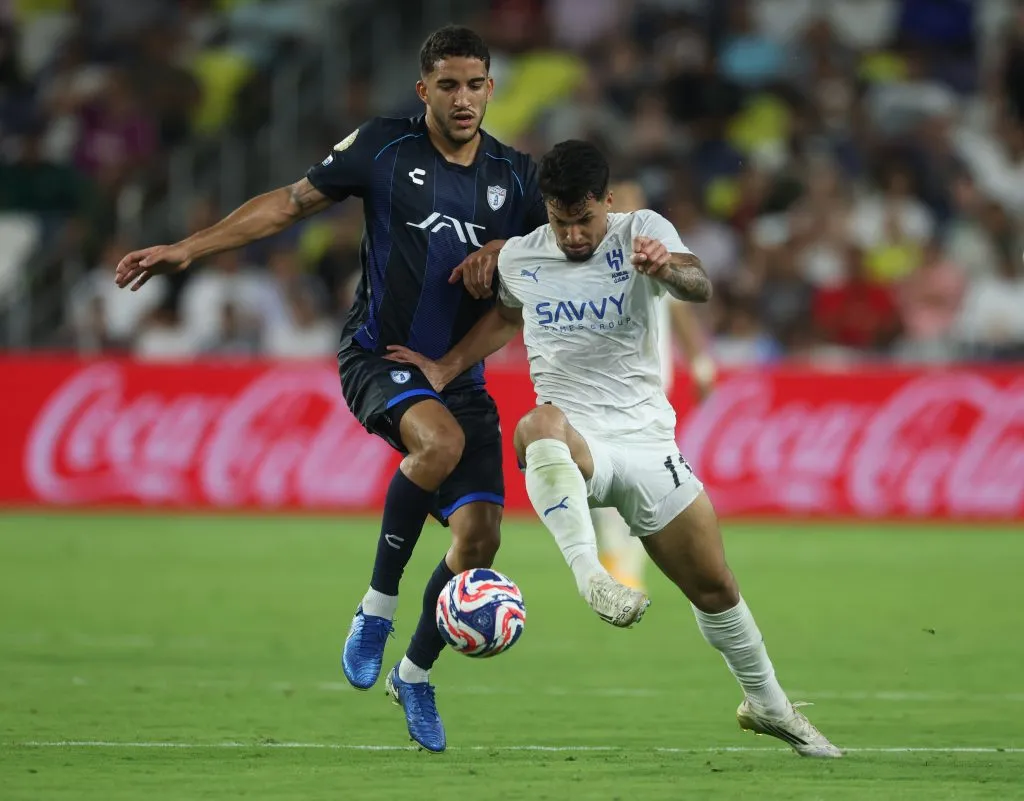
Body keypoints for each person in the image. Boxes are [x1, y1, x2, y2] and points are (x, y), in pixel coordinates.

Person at [114, 25, 575, 754]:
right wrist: (188, 249)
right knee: (439, 442)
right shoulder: (384, 149)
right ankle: (376, 608)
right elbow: (289, 204)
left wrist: (514, 257)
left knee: (479, 539)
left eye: (476, 84)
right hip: (377, 355)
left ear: (492, 89)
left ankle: (415, 673)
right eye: (448, 85)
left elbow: (523, 300)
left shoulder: (517, 180)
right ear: (424, 90)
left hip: (454, 369)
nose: (463, 99)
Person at [387, 140, 842, 758]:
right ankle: (590, 577)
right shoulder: (523, 256)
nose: (574, 234)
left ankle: (769, 706)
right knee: (538, 423)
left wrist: (666, 267)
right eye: (561, 219)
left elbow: (699, 284)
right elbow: (506, 316)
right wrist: (443, 368)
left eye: (585, 219)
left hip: (649, 443)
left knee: (716, 588)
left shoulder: (642, 231)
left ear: (608, 201)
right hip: (579, 441)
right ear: (546, 209)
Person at [596, 180, 716, 592]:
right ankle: (619, 559)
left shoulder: (657, 251)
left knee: (636, 476)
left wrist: (699, 362)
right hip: (604, 384)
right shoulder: (598, 254)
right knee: (609, 472)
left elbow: (680, 308)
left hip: (650, 385)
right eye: (623, 202)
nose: (631, 210)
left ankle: (624, 560)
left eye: (637, 202)